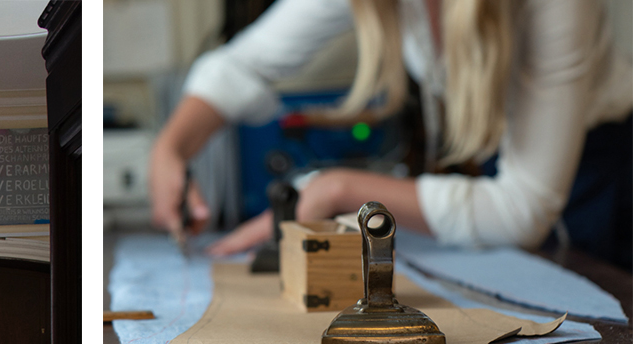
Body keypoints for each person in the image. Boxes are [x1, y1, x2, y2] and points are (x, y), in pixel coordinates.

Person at [150, 0, 633, 268]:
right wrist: (171, 147)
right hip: (505, 171)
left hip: (606, 179)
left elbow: (523, 208)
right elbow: (243, 62)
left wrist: (339, 187)